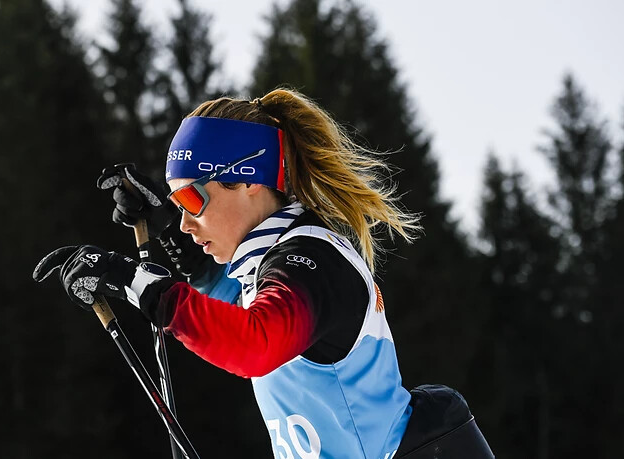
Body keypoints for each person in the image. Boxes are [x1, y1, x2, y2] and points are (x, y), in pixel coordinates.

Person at [34, 89, 492, 458]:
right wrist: (158, 230)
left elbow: (255, 343)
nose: (185, 223)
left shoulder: (312, 263)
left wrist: (130, 280)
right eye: (176, 207)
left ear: (248, 179)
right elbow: (221, 301)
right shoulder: (270, 263)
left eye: (192, 201)